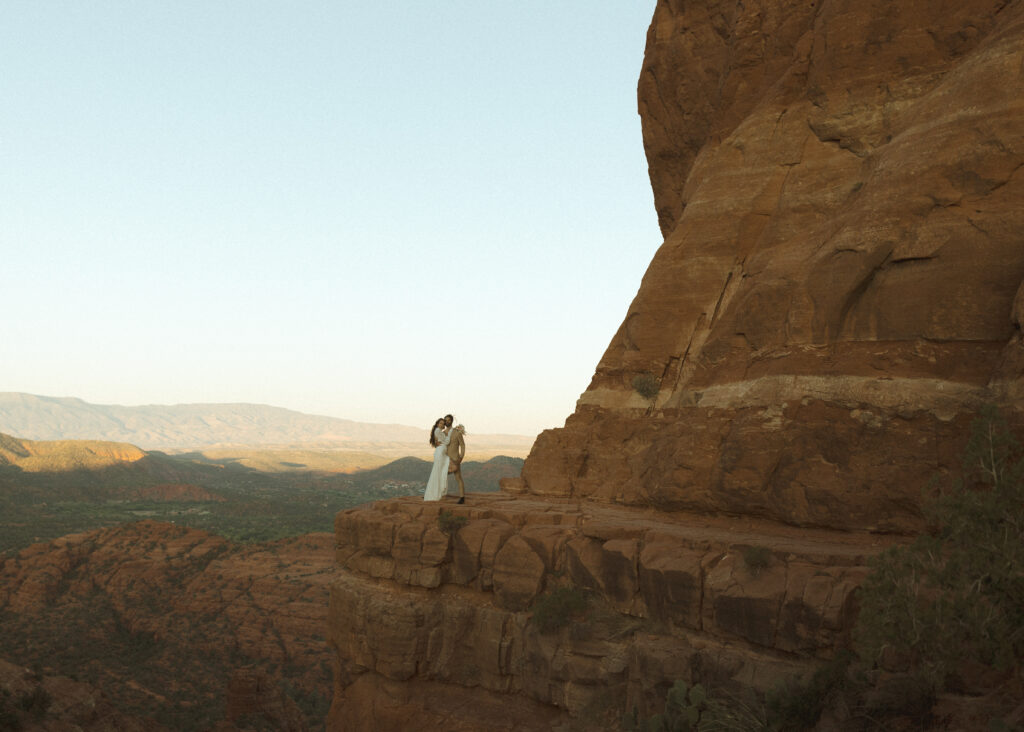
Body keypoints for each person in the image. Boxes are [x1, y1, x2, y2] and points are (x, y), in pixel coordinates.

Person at [423, 417, 450, 501]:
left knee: (439, 472)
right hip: (440, 453)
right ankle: (435, 493)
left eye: (443, 423)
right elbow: (446, 442)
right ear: (437, 424)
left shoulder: (439, 431)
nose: (442, 424)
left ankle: (438, 492)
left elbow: (439, 441)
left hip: (441, 452)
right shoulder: (438, 431)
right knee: (438, 472)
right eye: (440, 423)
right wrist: (447, 434)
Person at [444, 414, 466, 503]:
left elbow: (462, 445)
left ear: (452, 421)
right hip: (445, 459)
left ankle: (462, 497)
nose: (446, 421)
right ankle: (438, 495)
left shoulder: (457, 432)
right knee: (441, 477)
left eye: (448, 420)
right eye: (445, 420)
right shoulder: (443, 433)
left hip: (455, 459)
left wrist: (461, 457)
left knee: (458, 478)